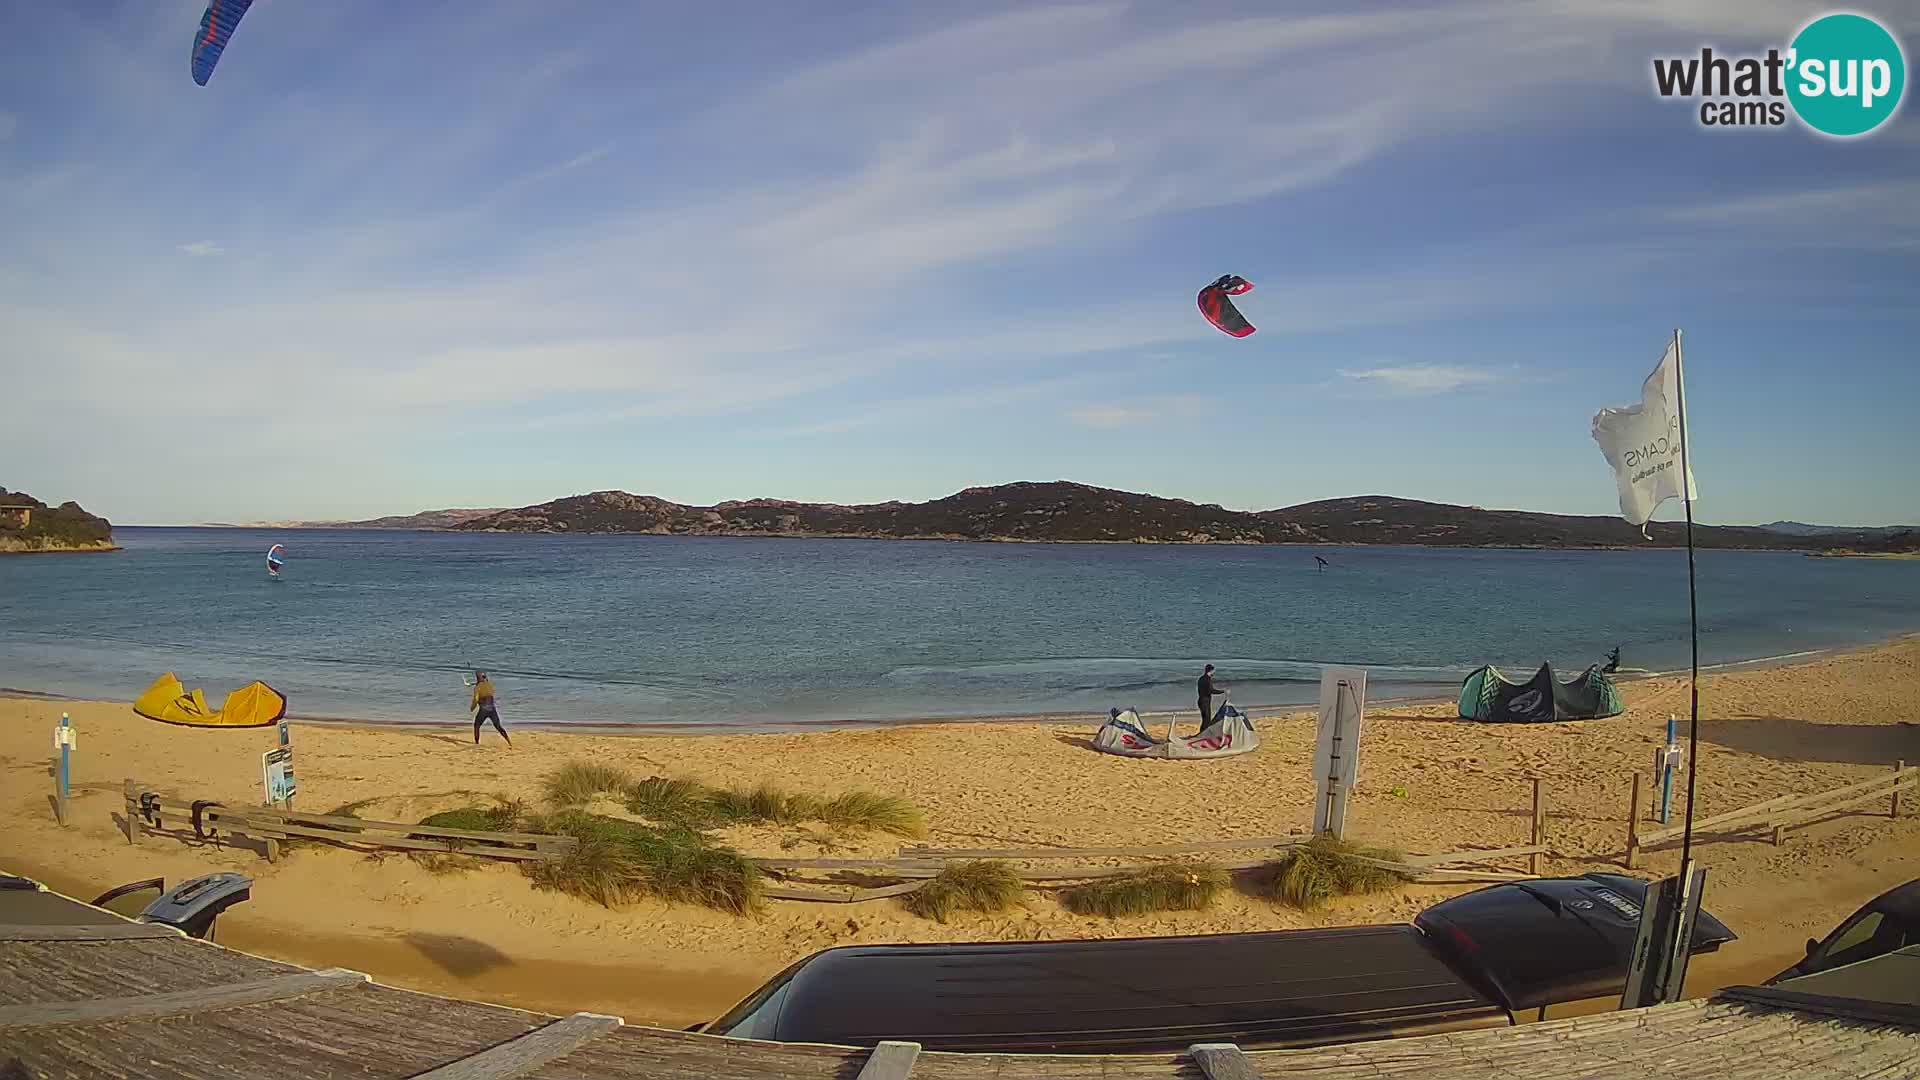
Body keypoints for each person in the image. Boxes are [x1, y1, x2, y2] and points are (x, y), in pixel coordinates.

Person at [470, 670, 512, 747]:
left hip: (483, 710)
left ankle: (477, 743)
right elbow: (492, 691)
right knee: (498, 726)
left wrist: (472, 707)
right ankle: (509, 741)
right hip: (492, 709)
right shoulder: (489, 685)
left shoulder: (477, 687)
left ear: (477, 678)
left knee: (477, 725)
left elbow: (476, 699)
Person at [1196, 664, 1226, 734]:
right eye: (1213, 671)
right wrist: (1223, 691)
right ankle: (1203, 735)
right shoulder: (1208, 679)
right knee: (1207, 720)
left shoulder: (1201, 678)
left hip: (1200, 701)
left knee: (1205, 720)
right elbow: (1211, 690)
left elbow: (1201, 690)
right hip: (1205, 702)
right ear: (1211, 671)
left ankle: (1201, 734)